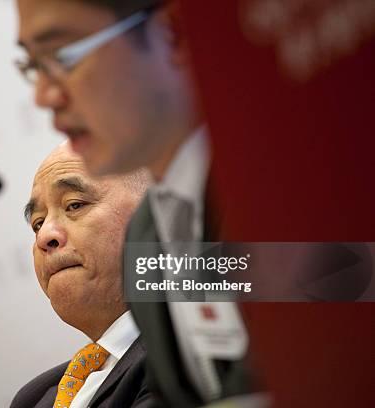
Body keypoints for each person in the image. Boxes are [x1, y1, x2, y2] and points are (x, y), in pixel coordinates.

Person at [15, 0, 255, 406]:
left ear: (171, 33)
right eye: (33, 66)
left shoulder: (268, 184)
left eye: (63, 56)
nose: (42, 96)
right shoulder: (152, 234)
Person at [10, 143, 153, 408]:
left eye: (74, 205)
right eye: (37, 223)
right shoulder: (35, 398)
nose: (44, 236)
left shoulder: (189, 358)